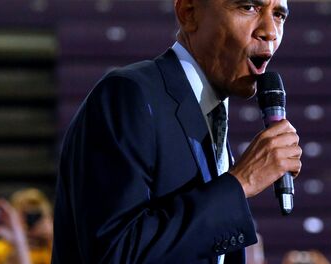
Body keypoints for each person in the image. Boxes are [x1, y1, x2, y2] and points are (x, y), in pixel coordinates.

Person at [52, 0, 301, 263]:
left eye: (279, 15)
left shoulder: (212, 114)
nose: (270, 31)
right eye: (248, 7)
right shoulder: (129, 95)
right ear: (188, 13)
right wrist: (241, 183)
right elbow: (115, 253)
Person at [0, 188, 53, 264]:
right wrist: (18, 242)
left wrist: (54, 237)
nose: (31, 221)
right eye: (25, 215)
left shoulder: (52, 250)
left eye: (36, 216)